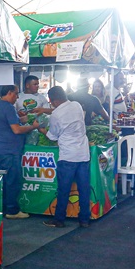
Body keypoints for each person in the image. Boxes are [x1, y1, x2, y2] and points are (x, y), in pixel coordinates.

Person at [38, 87, 90, 228]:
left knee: (64, 189)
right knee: (84, 189)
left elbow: (52, 136)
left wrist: (41, 130)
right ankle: (84, 219)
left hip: (68, 155)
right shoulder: (77, 105)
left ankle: (59, 219)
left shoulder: (56, 115)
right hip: (83, 154)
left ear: (54, 100)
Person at [0, 85, 41, 219]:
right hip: (9, 151)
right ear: (9, 93)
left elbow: (11, 123)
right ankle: (12, 211)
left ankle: (3, 208)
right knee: (12, 181)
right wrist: (32, 127)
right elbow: (17, 130)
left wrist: (22, 119)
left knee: (4, 182)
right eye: (16, 94)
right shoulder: (8, 107)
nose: (17, 97)